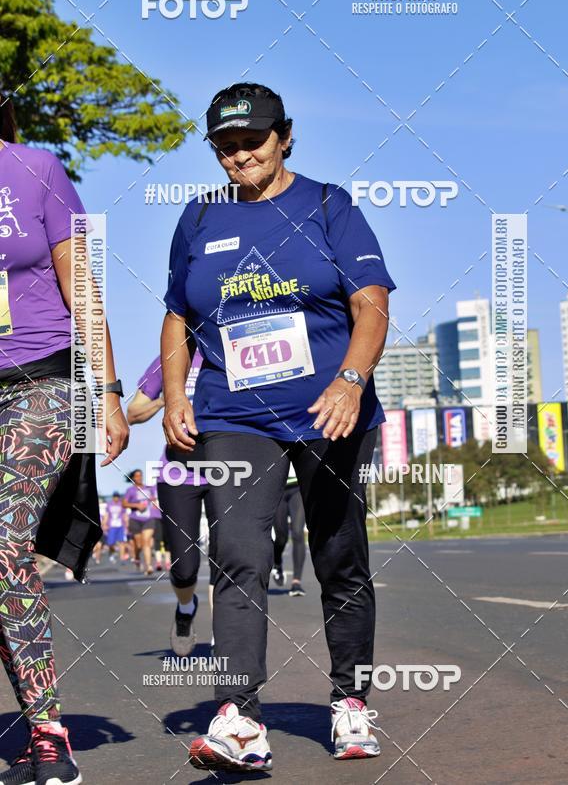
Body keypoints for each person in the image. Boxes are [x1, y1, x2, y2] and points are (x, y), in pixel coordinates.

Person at [161, 82, 395, 772]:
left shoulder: (328, 206)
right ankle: (239, 718)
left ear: (284, 137)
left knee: (339, 556)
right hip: (234, 413)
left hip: (330, 409)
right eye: (225, 146)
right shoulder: (200, 217)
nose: (240, 156)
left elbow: (372, 303)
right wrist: (174, 393)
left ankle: (351, 701)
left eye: (253, 141)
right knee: (238, 552)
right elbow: (177, 313)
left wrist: (350, 380)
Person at [0, 97, 129, 785]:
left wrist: (106, 390)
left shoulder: (36, 168)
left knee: (3, 543)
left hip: (43, 380)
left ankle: (49, 734)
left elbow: (82, 281)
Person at [127, 352, 216, 656]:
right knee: (185, 568)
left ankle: (223, 632)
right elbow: (133, 412)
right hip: (178, 473)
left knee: (227, 557)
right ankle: (185, 607)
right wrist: (165, 400)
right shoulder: (171, 357)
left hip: (227, 467)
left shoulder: (231, 348)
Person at [272, 467, 306, 596]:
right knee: (281, 536)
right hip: (277, 487)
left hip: (298, 486)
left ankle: (296, 582)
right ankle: (277, 562)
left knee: (298, 532)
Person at [122, 470, 155, 576]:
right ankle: (136, 557)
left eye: (140, 475)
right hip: (135, 520)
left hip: (149, 519)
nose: (139, 477)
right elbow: (124, 504)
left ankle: (149, 566)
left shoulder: (148, 488)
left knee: (146, 542)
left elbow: (154, 498)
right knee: (139, 544)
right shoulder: (130, 490)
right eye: (137, 476)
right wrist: (136, 505)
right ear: (133, 478)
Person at [104, 492, 128, 564]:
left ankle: (122, 558)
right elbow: (106, 515)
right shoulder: (109, 504)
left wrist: (127, 525)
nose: (116, 498)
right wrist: (104, 524)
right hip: (112, 526)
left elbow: (124, 515)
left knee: (122, 542)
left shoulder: (121, 504)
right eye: (115, 497)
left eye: (117, 497)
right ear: (113, 497)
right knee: (110, 543)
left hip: (120, 526)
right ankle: (113, 553)